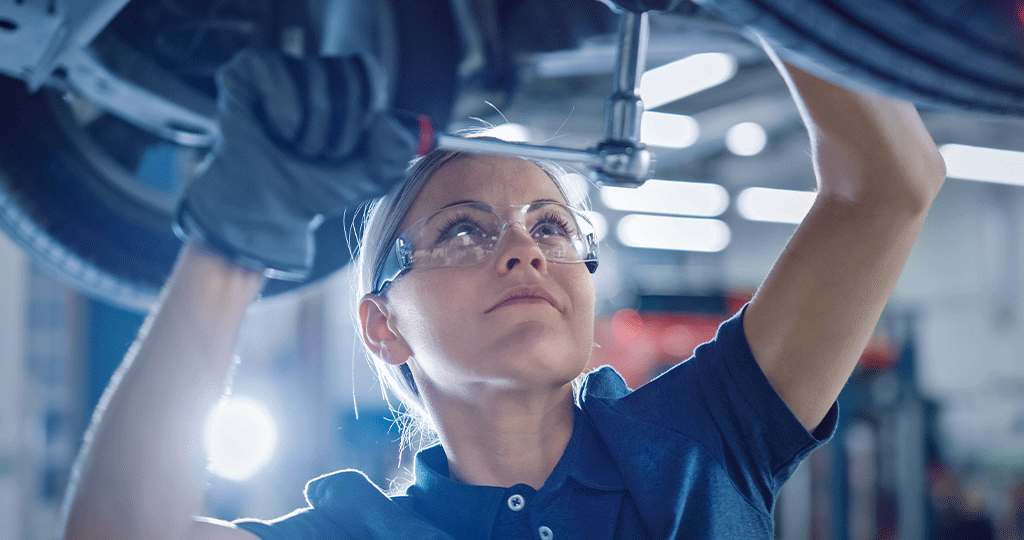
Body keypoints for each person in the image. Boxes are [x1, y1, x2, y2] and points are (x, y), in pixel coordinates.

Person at [58, 29, 947, 539]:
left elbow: (891, 183)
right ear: (383, 327)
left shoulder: (700, 444)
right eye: (462, 231)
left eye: (550, 226)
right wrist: (233, 241)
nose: (523, 252)